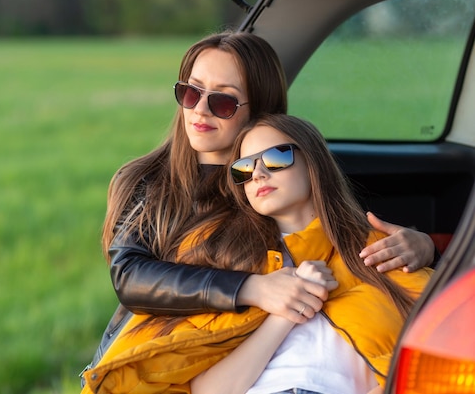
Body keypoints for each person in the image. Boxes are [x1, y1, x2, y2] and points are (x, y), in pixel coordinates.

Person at [82, 31, 436, 382]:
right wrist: (252, 288)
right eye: (190, 92)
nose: (200, 109)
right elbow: (129, 275)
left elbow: (329, 234)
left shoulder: (274, 189)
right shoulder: (148, 180)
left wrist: (425, 246)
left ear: (261, 110)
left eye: (223, 101)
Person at [188, 114, 433, 394]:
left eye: (275, 158)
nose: (257, 174)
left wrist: (429, 247)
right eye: (244, 168)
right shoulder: (231, 267)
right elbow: (209, 390)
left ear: (313, 162)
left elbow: (439, 352)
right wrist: (287, 310)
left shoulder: (377, 251)